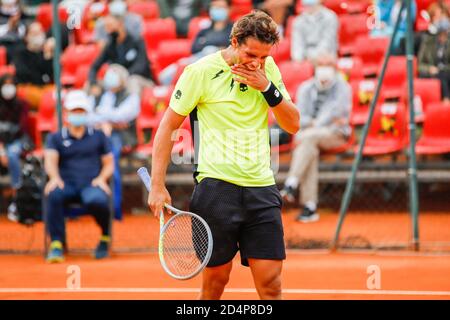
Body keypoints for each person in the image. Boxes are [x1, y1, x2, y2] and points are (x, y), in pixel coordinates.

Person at [148, 11, 300, 300]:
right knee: (215, 283)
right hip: (216, 188)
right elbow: (167, 126)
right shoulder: (199, 72)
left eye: (264, 57)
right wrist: (157, 185)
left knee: (271, 286)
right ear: (234, 41)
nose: (257, 62)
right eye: (251, 54)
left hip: (261, 187)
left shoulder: (268, 72)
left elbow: (293, 123)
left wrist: (267, 87)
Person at [280, 52, 352, 222]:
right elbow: (299, 117)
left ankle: (291, 183)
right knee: (309, 147)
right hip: (309, 137)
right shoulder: (305, 88)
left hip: (336, 134)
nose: (324, 68)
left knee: (306, 138)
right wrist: (313, 124)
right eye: (321, 64)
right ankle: (309, 207)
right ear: (315, 67)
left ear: (334, 68)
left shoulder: (343, 87)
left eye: (328, 64)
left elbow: (338, 114)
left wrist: (313, 124)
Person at [44, 90, 114, 263]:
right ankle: (56, 244)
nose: (78, 114)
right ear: (67, 113)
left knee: (97, 200)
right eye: (74, 111)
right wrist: (54, 178)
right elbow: (50, 161)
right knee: (53, 195)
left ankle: (105, 238)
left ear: (86, 113)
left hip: (91, 184)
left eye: (81, 111)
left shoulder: (99, 136)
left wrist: (102, 179)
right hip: (65, 184)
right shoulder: (55, 138)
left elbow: (109, 163)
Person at [90, 64, 140, 219]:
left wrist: (104, 119)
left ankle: (115, 208)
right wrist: (108, 121)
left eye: (115, 74)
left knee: (112, 166)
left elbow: (123, 115)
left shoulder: (130, 96)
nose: (110, 77)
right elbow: (89, 116)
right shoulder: (100, 95)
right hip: (98, 135)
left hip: (120, 137)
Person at [158, 0, 234, 85]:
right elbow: (194, 48)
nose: (217, 10)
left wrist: (207, 43)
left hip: (219, 63)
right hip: (197, 59)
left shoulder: (233, 29)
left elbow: (230, 47)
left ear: (229, 9)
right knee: (166, 75)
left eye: (221, 7)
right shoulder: (205, 30)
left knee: (210, 50)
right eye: (215, 7)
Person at [88, 12, 154, 97]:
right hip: (116, 82)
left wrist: (123, 77)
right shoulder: (110, 45)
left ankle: (132, 109)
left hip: (140, 79)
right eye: (106, 27)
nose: (108, 30)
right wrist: (93, 83)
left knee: (132, 82)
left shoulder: (136, 41)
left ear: (120, 24)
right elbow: (94, 66)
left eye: (110, 26)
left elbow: (141, 66)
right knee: (90, 85)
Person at [0, 73, 30, 222]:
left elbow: (22, 128)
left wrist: (5, 149)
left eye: (11, 84)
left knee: (12, 155)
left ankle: (16, 198)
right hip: (1, 143)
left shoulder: (22, 104)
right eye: (5, 84)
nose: (8, 88)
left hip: (17, 141)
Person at [11, 21, 54, 110]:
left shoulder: (46, 52)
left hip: (45, 89)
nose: (38, 36)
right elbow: (24, 74)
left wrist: (48, 55)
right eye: (34, 33)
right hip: (28, 89)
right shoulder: (20, 53)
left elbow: (52, 76)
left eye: (40, 32)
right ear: (26, 37)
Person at [418, 16, 450, 102]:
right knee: (438, 76)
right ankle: (445, 99)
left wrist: (441, 69)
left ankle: (446, 99)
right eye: (440, 34)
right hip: (431, 72)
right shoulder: (428, 43)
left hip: (445, 71)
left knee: (443, 75)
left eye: (445, 34)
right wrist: (429, 69)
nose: (443, 37)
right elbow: (420, 65)